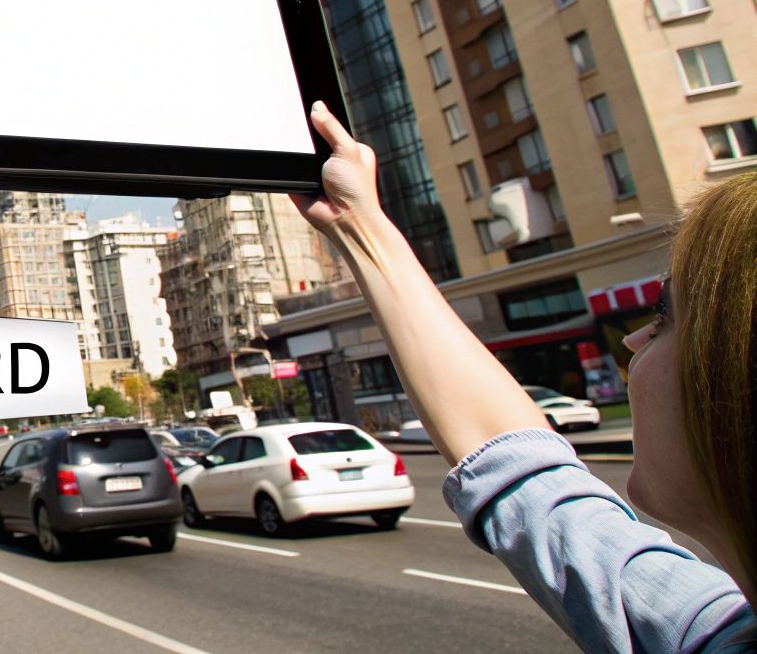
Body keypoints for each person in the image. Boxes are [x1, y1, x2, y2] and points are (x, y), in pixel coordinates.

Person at [290, 101, 754, 652]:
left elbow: (525, 477)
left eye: (665, 315)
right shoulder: (709, 631)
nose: (633, 341)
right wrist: (357, 223)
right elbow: (519, 466)